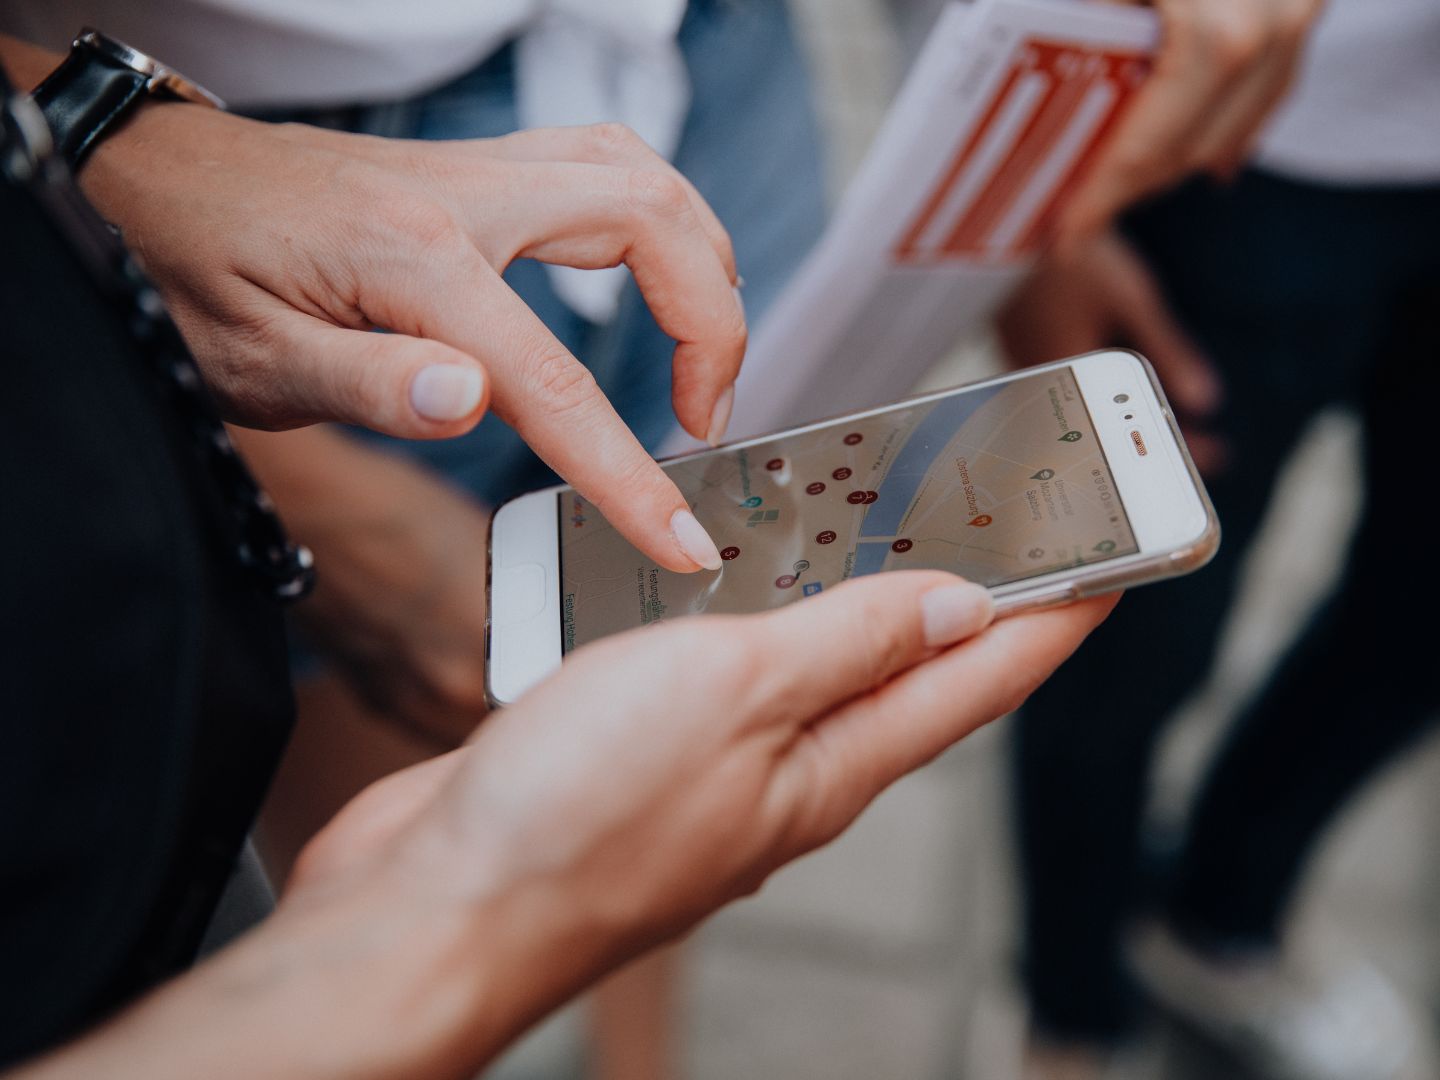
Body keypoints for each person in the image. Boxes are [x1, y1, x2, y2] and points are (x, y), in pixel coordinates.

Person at [0, 38, 1116, 1076]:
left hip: (702, 62)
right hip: (280, 143)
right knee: (497, 742)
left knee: (679, 704)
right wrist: (108, 144)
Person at [999, 0, 1440, 1075]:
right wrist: (1037, 187)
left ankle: (1219, 916)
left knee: (1422, 617)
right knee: (1124, 638)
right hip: (1232, 142)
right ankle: (1069, 1014)